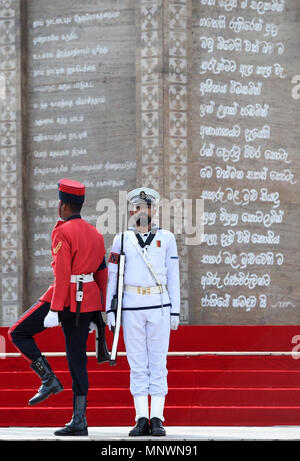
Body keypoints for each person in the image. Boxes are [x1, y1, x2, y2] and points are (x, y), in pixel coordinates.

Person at [8, 179, 107, 436]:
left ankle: (48, 378)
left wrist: (54, 309)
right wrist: (102, 311)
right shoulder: (96, 234)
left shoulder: (62, 231)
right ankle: (80, 420)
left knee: (17, 332)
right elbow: (102, 273)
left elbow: (63, 275)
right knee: (78, 360)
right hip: (87, 303)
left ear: (62, 205)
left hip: (64, 299)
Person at [106, 187, 180, 436]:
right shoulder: (121, 240)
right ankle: (141, 417)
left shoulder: (167, 238)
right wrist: (111, 308)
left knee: (158, 363)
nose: (143, 212)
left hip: (158, 304)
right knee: (137, 364)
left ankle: (157, 417)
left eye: (147, 208)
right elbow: (114, 276)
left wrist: (175, 310)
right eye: (138, 208)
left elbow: (173, 276)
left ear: (154, 210)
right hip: (131, 305)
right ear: (131, 211)